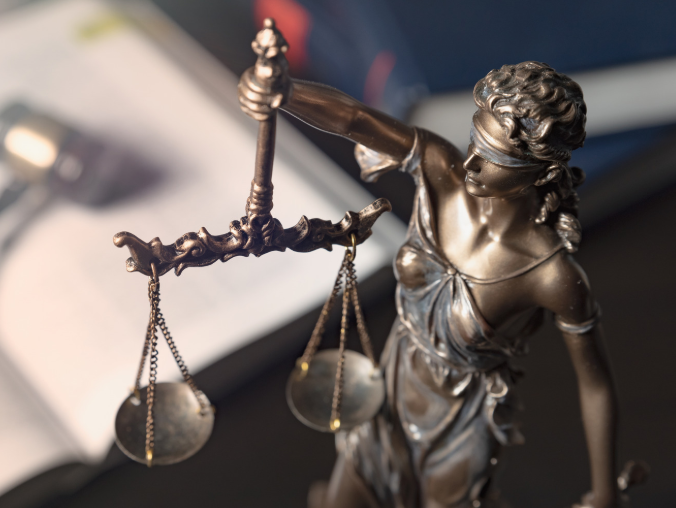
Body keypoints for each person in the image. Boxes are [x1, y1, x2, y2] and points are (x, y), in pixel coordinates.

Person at [239, 61, 620, 508]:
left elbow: (597, 386)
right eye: (475, 140)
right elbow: (356, 119)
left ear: (540, 171)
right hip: (390, 396)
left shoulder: (551, 275)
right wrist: (284, 92)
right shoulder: (442, 173)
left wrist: (605, 491)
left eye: (494, 157)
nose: (472, 162)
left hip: (462, 426)